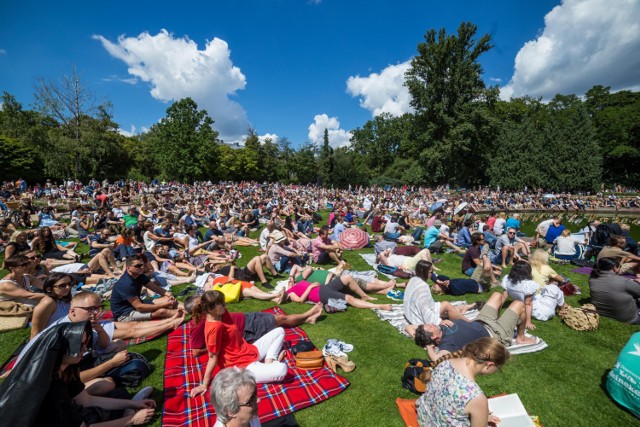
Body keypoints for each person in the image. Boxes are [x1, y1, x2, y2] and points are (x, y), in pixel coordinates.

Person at [0, 322, 156, 427]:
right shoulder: (47, 389)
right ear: (60, 348)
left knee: (119, 394)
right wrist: (130, 421)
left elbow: (87, 400)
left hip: (69, 415)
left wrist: (132, 404)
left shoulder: (66, 368)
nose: (84, 349)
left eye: (85, 344)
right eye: (79, 345)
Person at [189, 291, 288, 397]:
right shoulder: (214, 328)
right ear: (210, 309)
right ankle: (274, 363)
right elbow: (212, 357)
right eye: (221, 305)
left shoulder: (222, 313)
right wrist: (204, 384)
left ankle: (270, 362)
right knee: (282, 370)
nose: (224, 305)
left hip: (249, 350)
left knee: (279, 331)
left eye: (223, 303)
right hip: (240, 365)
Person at [185, 295, 323, 357]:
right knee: (281, 319)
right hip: (247, 329)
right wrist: (219, 345)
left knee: (277, 320)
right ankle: (308, 314)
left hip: (245, 317)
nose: (204, 303)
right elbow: (196, 351)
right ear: (194, 310)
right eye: (200, 303)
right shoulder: (198, 325)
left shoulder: (207, 312)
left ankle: (307, 320)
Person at [413, 292, 537, 360]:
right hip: (496, 334)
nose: (431, 323)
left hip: (482, 321)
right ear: (434, 337)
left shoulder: (442, 327)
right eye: (429, 326)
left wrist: (440, 323)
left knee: (497, 295)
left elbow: (408, 327)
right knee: (519, 304)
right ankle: (521, 338)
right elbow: (436, 360)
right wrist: (429, 346)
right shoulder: (447, 344)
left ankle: (500, 319)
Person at [416, 337, 509, 427]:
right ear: (489, 364)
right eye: (498, 369)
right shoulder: (475, 396)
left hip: (424, 418)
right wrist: (481, 415)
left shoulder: (445, 362)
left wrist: (481, 416)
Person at [403, 261, 478, 334]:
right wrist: (439, 322)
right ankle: (469, 324)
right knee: (446, 305)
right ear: (424, 272)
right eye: (431, 272)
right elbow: (425, 311)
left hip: (410, 312)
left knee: (446, 305)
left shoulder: (413, 279)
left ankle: (463, 308)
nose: (432, 275)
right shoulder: (423, 287)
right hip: (417, 318)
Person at [110, 255, 184, 322]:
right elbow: (139, 307)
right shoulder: (126, 284)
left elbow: (156, 288)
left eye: (142, 264)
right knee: (162, 311)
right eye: (138, 266)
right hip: (124, 314)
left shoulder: (139, 276)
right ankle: (190, 310)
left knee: (167, 299)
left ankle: (189, 307)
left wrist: (168, 294)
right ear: (128, 268)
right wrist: (164, 305)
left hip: (135, 305)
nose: (142, 267)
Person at [500, 261, 566, 327]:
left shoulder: (507, 280)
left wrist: (498, 308)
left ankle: (554, 284)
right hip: (542, 311)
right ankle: (561, 306)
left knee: (547, 290)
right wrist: (528, 322)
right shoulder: (528, 285)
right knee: (553, 287)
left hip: (536, 304)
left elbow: (504, 297)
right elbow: (528, 304)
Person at [286, 276, 393, 311]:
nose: (290, 281)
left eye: (291, 279)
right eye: (289, 281)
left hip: (324, 287)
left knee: (347, 278)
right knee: (349, 298)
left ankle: (364, 296)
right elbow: (300, 301)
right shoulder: (289, 292)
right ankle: (379, 306)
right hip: (320, 294)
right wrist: (310, 287)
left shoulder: (297, 282)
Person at [589, 257, 640, 324]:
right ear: (614, 268)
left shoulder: (592, 279)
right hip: (629, 318)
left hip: (603, 313)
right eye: (619, 267)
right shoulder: (624, 282)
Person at [30, 272, 73, 338]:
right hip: (51, 340)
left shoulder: (63, 298)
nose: (68, 287)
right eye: (62, 286)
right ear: (49, 289)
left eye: (69, 284)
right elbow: (35, 333)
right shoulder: (48, 303)